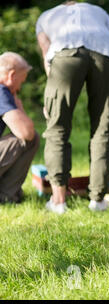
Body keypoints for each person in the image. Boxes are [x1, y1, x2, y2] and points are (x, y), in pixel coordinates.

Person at [35, 1, 109, 213]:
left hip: (64, 56)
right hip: (105, 55)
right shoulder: (100, 11)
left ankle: (58, 201)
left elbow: (47, 53)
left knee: (57, 128)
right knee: (103, 127)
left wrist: (53, 98)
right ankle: (97, 200)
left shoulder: (46, 16)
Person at [0, 52, 39, 203]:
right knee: (31, 139)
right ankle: (6, 195)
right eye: (21, 81)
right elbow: (25, 132)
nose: (20, 87)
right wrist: (18, 105)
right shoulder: (1, 91)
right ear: (11, 75)